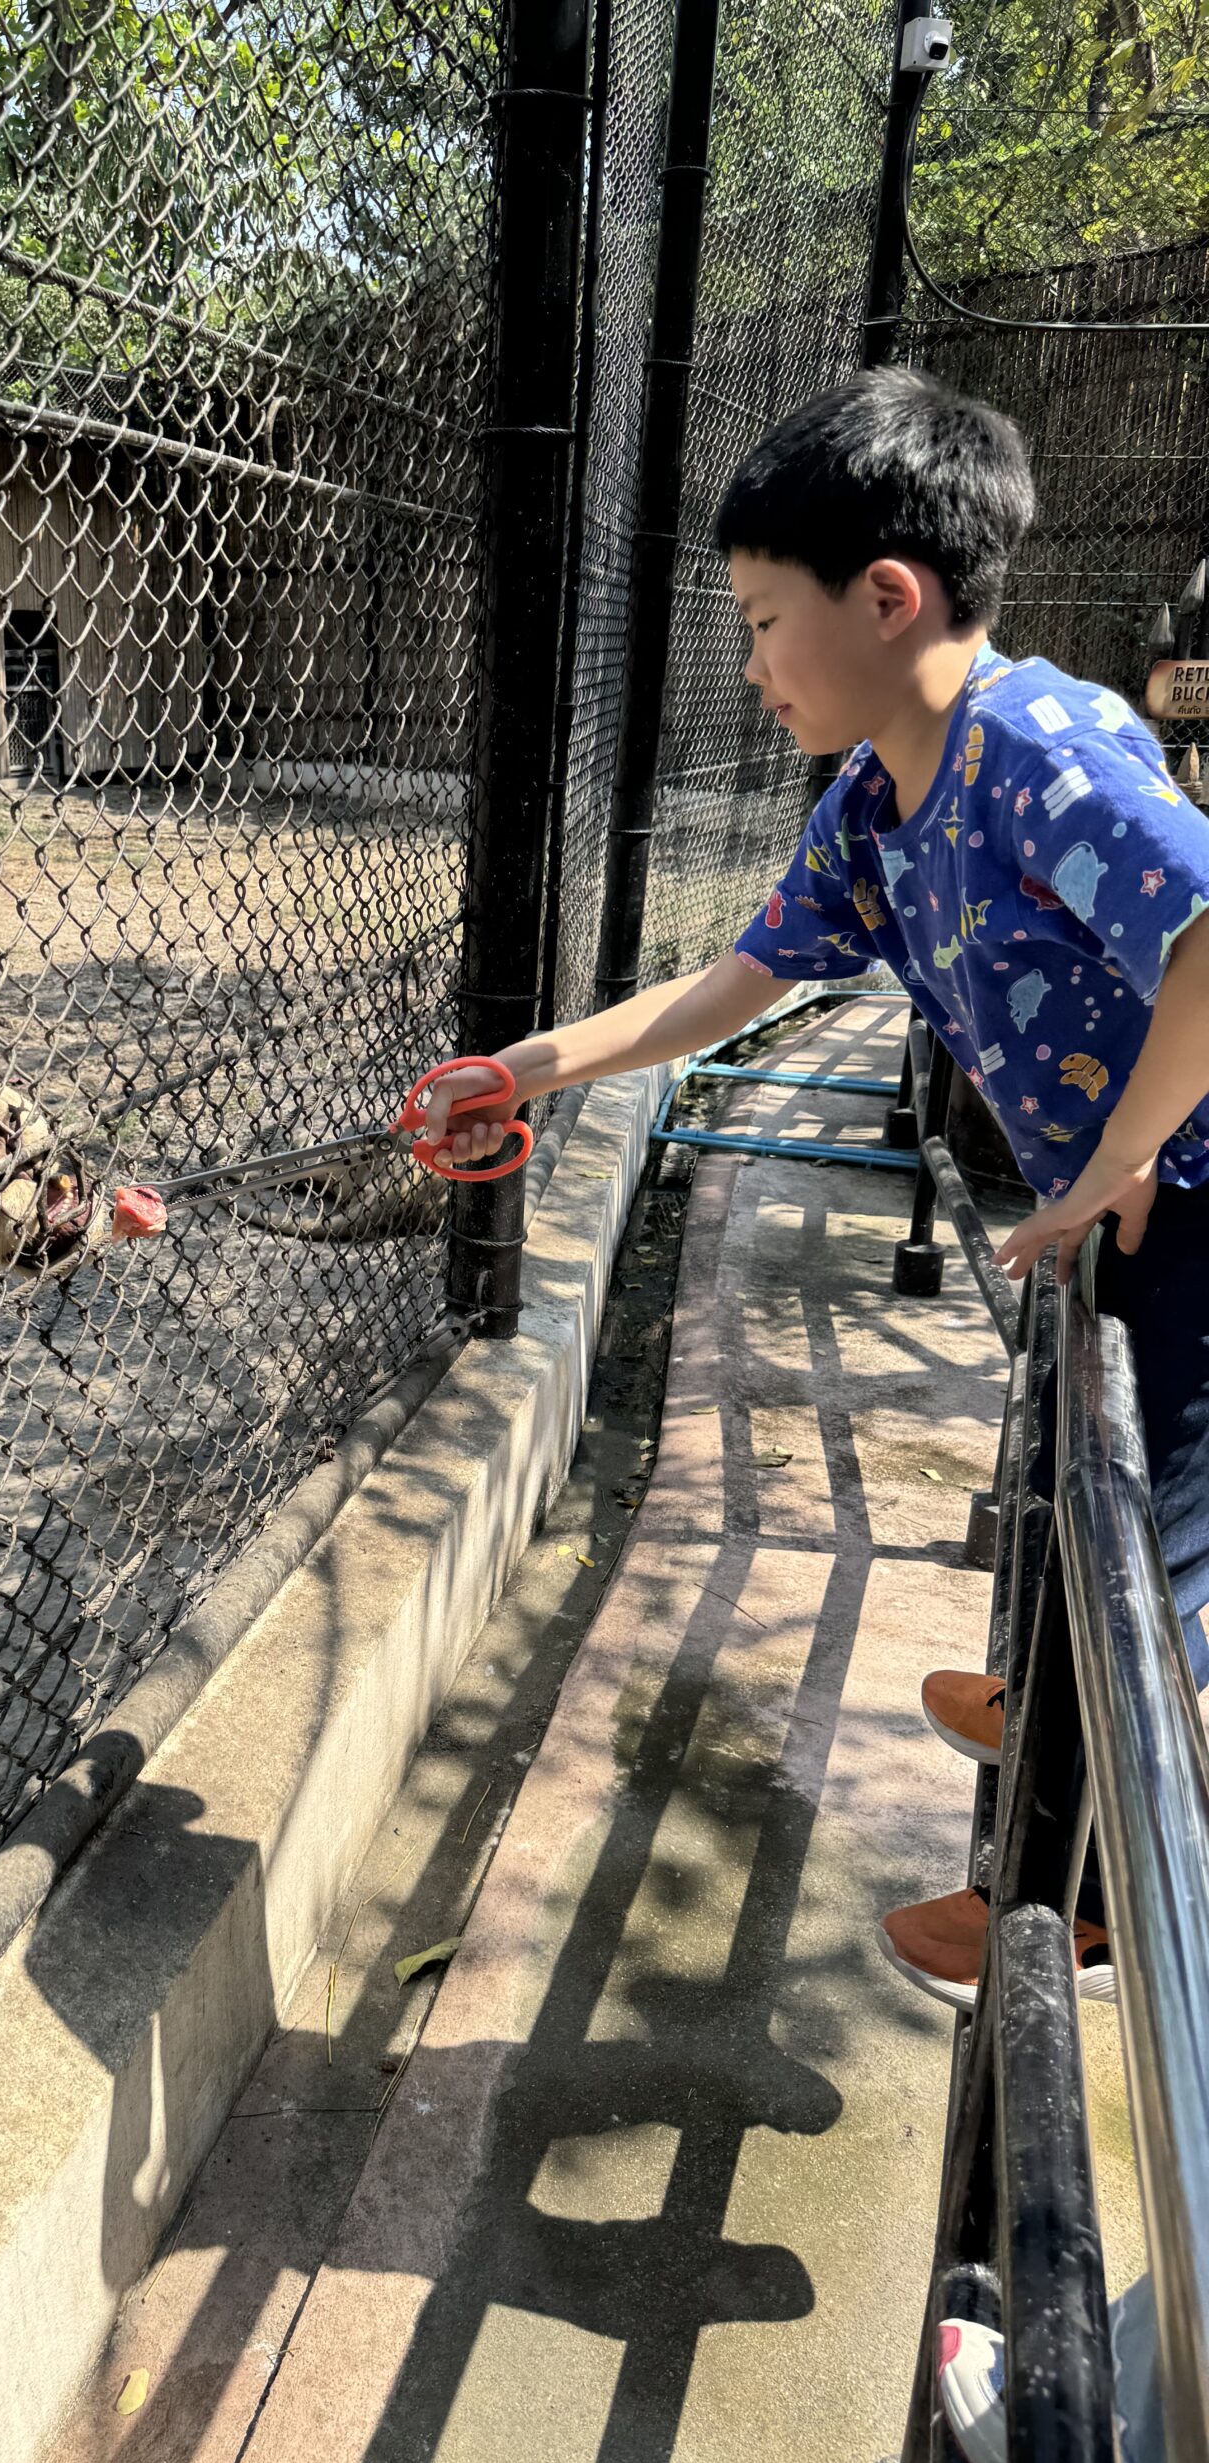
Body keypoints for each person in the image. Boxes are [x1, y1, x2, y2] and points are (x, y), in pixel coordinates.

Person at [419, 366, 1209, 2016]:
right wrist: (528, 1069)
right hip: (1115, 1216)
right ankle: (1052, 1725)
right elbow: (737, 986)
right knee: (1076, 1488)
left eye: (766, 621)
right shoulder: (878, 804)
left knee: (1153, 1560)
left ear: (888, 597)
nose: (753, 664)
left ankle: (1088, 1899)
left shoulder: (1036, 752)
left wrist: (1127, 1153)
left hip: (1190, 1210)